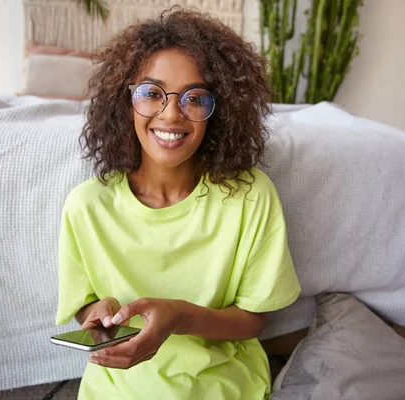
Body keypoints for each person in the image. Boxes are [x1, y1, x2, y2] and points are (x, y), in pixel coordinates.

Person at [56, 7, 301, 399]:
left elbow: (254, 321)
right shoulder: (86, 206)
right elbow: (83, 306)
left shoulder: (251, 196)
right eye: (152, 93)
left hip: (221, 384)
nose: (171, 114)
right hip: (118, 388)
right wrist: (97, 313)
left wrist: (180, 318)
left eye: (195, 98)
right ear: (125, 102)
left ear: (218, 111)